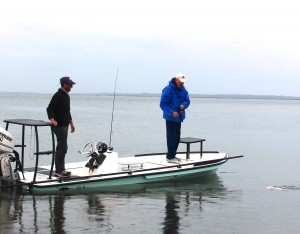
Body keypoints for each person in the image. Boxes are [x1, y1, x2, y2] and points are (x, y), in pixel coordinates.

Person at [46, 76, 76, 178]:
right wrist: (52, 119)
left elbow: (67, 111)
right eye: (70, 85)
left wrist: (71, 123)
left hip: (65, 124)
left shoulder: (66, 96)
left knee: (62, 147)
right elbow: (49, 108)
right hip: (58, 125)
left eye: (71, 85)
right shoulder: (58, 95)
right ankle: (59, 170)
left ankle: (61, 169)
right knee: (62, 147)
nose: (71, 87)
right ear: (64, 84)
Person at [160, 73, 190, 164]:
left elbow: (187, 100)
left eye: (183, 82)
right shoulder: (168, 89)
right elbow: (163, 104)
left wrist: (183, 106)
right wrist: (172, 112)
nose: (182, 84)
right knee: (171, 137)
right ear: (176, 80)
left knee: (177, 137)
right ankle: (170, 157)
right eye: (181, 82)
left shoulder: (183, 89)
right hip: (170, 118)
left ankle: (173, 155)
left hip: (179, 117)